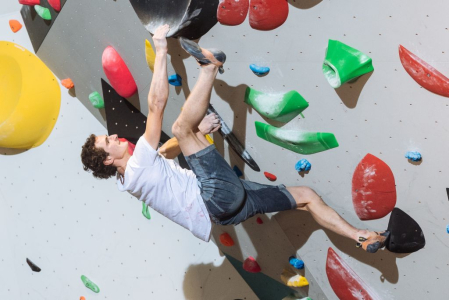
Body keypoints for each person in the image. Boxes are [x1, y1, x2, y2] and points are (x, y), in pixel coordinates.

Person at [81, 25, 388, 253]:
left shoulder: (129, 181)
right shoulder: (136, 168)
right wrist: (161, 49)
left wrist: (199, 133)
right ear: (108, 158)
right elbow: (156, 105)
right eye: (108, 141)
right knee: (179, 128)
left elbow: (165, 156)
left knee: (306, 196)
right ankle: (209, 67)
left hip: (226, 211)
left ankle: (360, 237)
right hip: (214, 197)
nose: (116, 136)